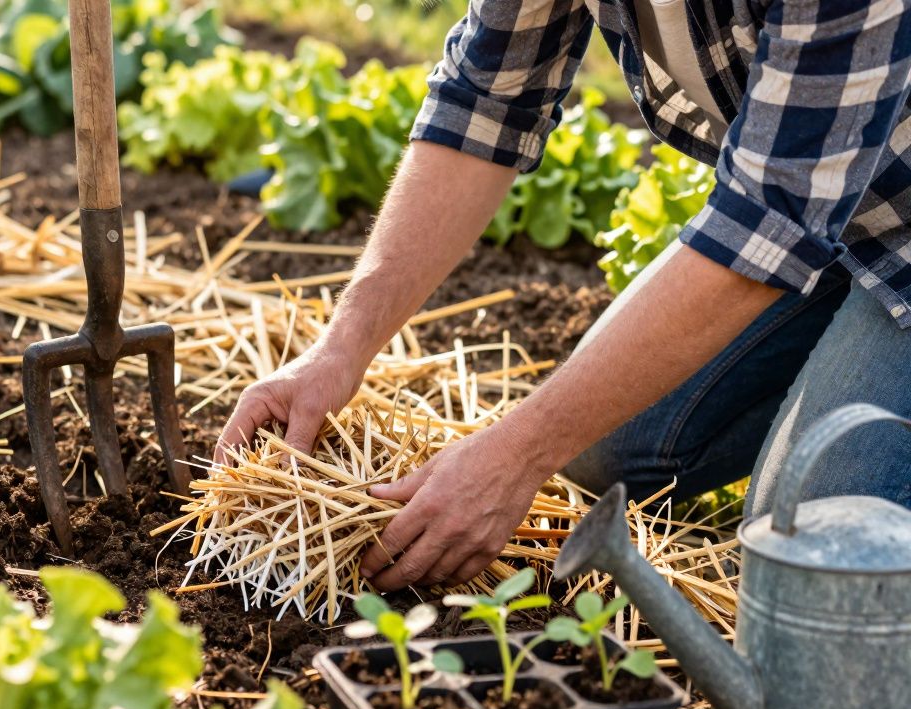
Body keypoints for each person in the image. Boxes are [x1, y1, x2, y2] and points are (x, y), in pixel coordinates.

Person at [214, 0, 911, 592]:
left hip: (882, 234)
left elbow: (768, 223)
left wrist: (518, 453)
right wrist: (341, 347)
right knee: (602, 447)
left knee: (816, 552)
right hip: (831, 215)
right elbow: (482, 103)